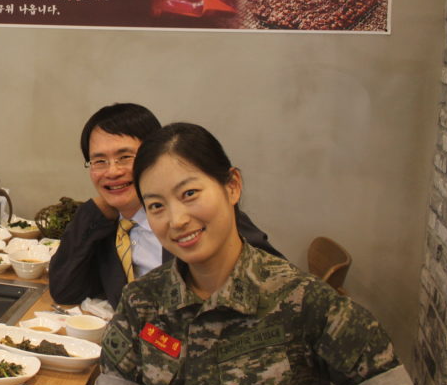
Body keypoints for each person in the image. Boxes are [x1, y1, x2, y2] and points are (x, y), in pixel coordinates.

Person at [92, 122, 429, 385]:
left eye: (189, 194)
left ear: (232, 186)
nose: (176, 220)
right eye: (156, 206)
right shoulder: (141, 302)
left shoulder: (304, 301)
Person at [49, 104, 279, 312]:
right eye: (99, 161)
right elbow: (65, 291)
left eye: (125, 157)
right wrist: (92, 213)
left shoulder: (201, 221)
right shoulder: (107, 226)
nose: (112, 172)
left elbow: (276, 285)